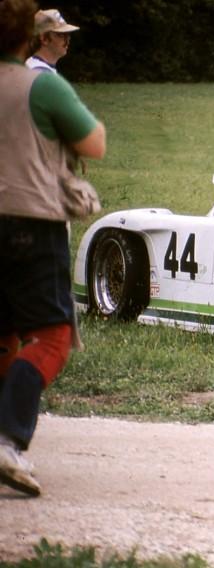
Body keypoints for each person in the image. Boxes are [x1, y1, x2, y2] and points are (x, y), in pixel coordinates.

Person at [0, 0, 106, 497]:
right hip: (30, 220)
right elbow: (94, 144)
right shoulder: (40, 84)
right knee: (51, 337)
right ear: (30, 37)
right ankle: (7, 439)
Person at [25, 8, 79, 74]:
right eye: (61, 35)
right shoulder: (41, 73)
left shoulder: (34, 66)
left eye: (68, 34)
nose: (68, 39)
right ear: (44, 38)